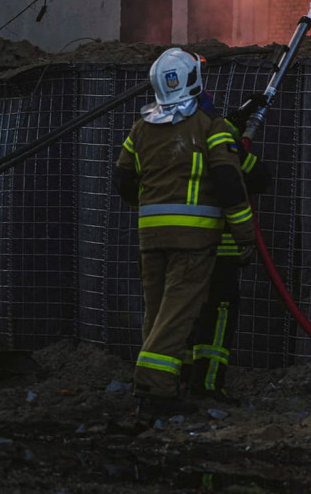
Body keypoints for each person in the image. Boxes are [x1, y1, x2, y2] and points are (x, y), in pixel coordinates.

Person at [111, 48, 257, 420]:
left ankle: (155, 384)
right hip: (193, 242)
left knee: (157, 313)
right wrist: (244, 234)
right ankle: (155, 386)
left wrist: (152, 209)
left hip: (150, 237)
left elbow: (122, 180)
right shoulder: (209, 127)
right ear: (193, 79)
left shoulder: (141, 128)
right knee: (177, 313)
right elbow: (228, 182)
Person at [185, 93, 269, 404]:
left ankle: (177, 380)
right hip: (218, 250)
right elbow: (257, 178)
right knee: (218, 315)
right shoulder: (221, 146)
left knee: (181, 315)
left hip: (177, 250)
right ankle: (207, 386)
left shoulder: (166, 141)